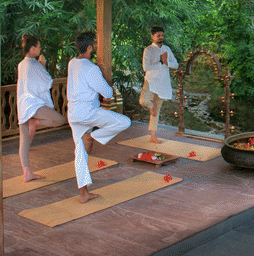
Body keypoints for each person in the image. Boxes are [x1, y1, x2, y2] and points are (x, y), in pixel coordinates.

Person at [67, 31, 131, 203]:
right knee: (125, 121)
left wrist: (96, 71)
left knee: (80, 152)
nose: (95, 46)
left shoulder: (72, 63)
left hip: (73, 114)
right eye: (94, 44)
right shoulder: (92, 69)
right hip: (89, 113)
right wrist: (99, 73)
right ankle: (91, 136)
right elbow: (108, 93)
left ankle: (84, 194)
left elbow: (84, 75)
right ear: (89, 47)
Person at [16, 34, 67, 182]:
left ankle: (27, 173)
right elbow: (47, 81)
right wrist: (42, 64)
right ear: (32, 49)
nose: (40, 49)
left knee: (25, 140)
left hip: (23, 105)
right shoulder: (35, 65)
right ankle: (36, 122)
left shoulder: (21, 64)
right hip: (34, 106)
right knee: (60, 119)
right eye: (38, 47)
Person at [140, 26, 179, 143]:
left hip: (163, 82)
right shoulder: (148, 50)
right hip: (151, 81)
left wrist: (167, 62)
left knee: (157, 111)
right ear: (152, 36)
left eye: (162, 35)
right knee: (143, 101)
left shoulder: (167, 49)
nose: (161, 38)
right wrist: (161, 62)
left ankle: (153, 136)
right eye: (158, 36)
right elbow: (146, 67)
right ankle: (151, 106)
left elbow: (176, 65)